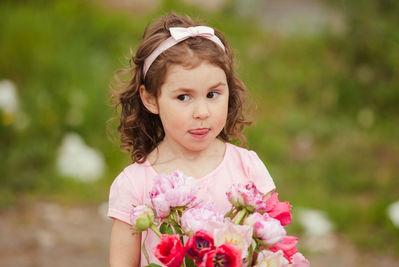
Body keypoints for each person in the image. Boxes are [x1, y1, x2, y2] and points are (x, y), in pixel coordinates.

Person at [107, 12, 276, 267]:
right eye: (184, 97)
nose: (202, 112)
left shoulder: (247, 168)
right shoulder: (134, 185)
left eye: (212, 94)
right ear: (150, 99)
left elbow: (273, 251)